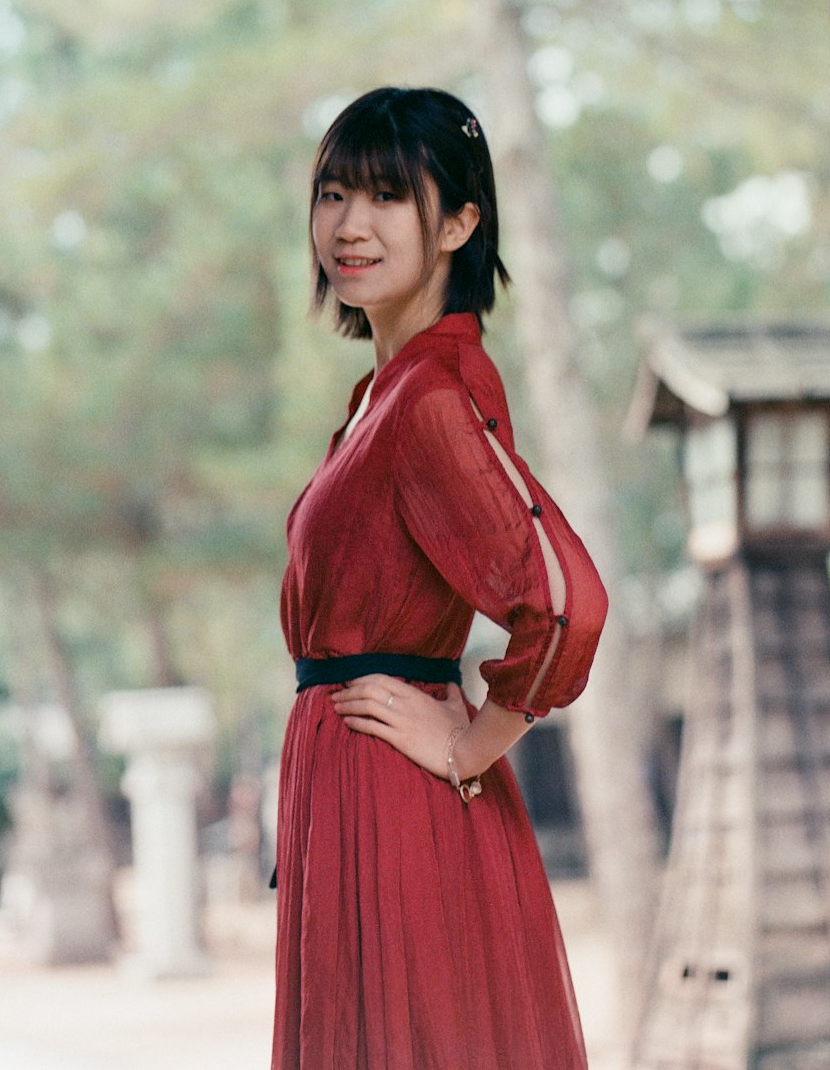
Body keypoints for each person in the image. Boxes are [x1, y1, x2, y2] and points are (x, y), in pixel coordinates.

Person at [271, 86, 609, 1070]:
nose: (349, 223)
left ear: (459, 221)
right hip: (352, 785)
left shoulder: (430, 393)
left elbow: (564, 603)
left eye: (386, 195)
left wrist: (472, 745)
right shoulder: (383, 390)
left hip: (400, 792)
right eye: (334, 193)